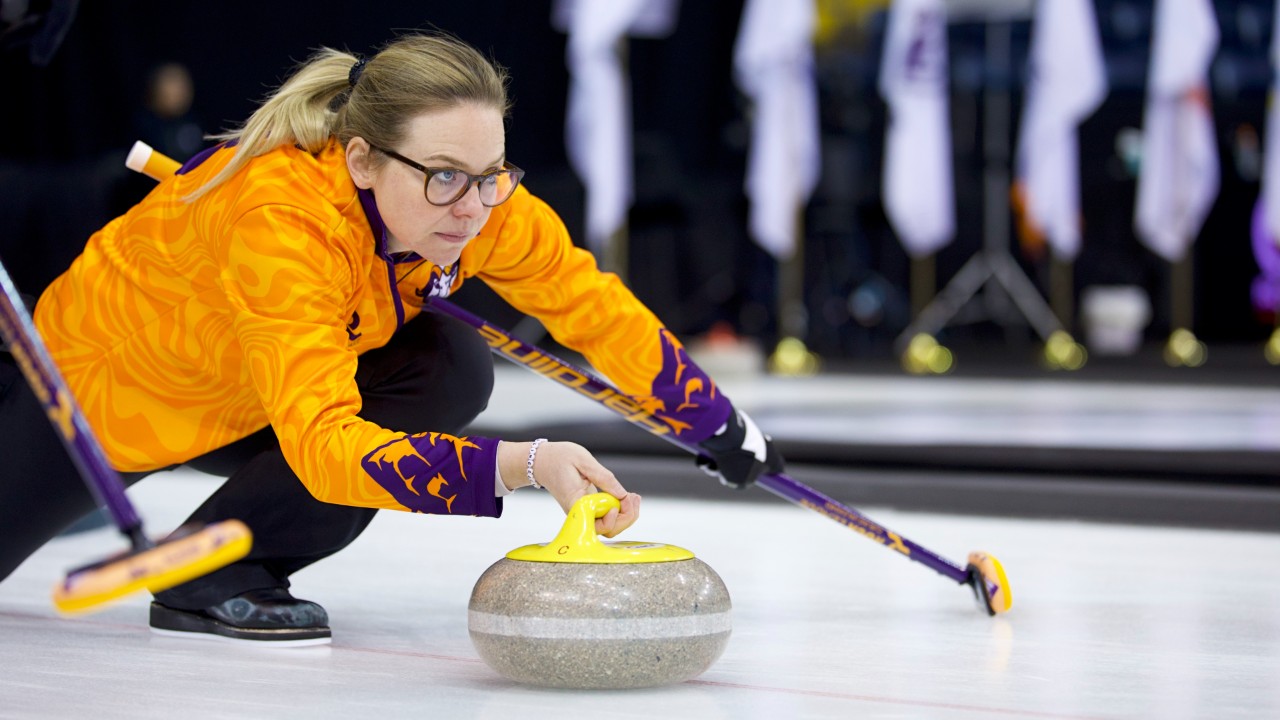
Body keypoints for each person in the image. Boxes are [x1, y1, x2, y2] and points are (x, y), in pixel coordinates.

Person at [0, 32, 782, 646]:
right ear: (363, 160)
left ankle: (217, 572)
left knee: (446, 368)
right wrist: (527, 465)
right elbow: (326, 450)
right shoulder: (284, 222)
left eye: (491, 173)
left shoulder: (482, 206)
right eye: (443, 175)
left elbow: (593, 308)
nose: (473, 207)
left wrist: (715, 422)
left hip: (263, 392)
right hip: (105, 396)